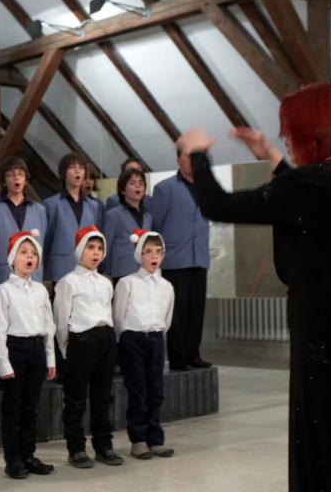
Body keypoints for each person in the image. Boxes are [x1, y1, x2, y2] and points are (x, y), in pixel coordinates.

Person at [175, 81, 331, 490]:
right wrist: (268, 155)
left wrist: (196, 153)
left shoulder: (311, 186)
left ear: (314, 130)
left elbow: (219, 205)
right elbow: (306, 204)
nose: (285, 136)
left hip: (326, 346)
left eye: (289, 129)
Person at [54, 226, 122, 469]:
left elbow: (108, 312)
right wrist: (66, 347)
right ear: (80, 250)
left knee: (103, 396)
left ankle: (104, 445)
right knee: (76, 399)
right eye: (90, 247)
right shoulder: (68, 282)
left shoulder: (105, 282)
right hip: (81, 341)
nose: (96, 252)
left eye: (100, 248)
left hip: (105, 338)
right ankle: (76, 448)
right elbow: (61, 319)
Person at [0, 231, 56, 479]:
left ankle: (28, 455)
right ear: (12, 259)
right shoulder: (4, 290)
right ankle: (13, 459)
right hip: (15, 351)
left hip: (37, 350)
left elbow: (49, 325)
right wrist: (3, 363)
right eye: (24, 252)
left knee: (30, 408)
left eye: (34, 253)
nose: (30, 257)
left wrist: (50, 358)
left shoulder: (40, 290)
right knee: (13, 408)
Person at [146, 149, 211, 371]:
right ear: (178, 159)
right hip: (175, 259)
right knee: (178, 311)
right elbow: (155, 224)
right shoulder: (164, 188)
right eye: (187, 157)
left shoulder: (205, 187)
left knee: (197, 310)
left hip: (199, 256)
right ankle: (177, 357)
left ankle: (194, 354)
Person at [112, 230, 174, 460]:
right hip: (132, 339)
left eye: (158, 251)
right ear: (139, 255)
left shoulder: (166, 286)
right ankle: (138, 439)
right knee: (138, 390)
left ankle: (155, 439)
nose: (154, 256)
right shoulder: (127, 283)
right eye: (148, 252)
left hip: (155, 339)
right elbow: (118, 316)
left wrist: (156, 334)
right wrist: (126, 337)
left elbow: (167, 317)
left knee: (155, 391)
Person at [0, 157, 49, 286]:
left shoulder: (39, 210)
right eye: (10, 175)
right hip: (4, 273)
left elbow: (43, 243)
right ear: (4, 182)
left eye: (20, 174)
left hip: (33, 274)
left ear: (26, 180)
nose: (16, 178)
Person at [43, 154, 103, 283]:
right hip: (60, 271)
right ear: (63, 173)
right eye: (72, 167)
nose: (77, 171)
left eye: (81, 167)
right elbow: (46, 241)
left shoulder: (93, 206)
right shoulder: (51, 204)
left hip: (86, 271)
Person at [100, 168, 153, 282]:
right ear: (123, 190)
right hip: (122, 271)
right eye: (132, 183)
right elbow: (106, 245)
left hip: (145, 271)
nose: (138, 186)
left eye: (141, 183)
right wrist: (107, 271)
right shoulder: (113, 215)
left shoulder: (148, 216)